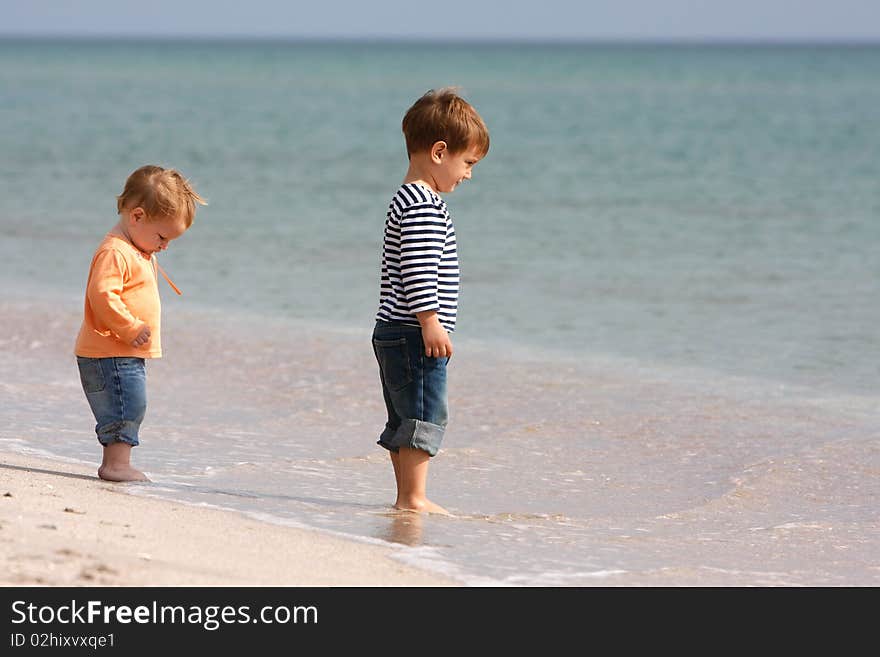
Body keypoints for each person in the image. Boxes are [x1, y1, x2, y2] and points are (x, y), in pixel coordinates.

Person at [372, 88, 489, 514]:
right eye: (468, 163)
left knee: (405, 414)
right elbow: (419, 270)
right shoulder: (424, 203)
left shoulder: (404, 197)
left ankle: (406, 496)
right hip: (411, 330)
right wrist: (430, 322)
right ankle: (414, 497)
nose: (469, 175)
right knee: (423, 414)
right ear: (440, 152)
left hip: (392, 329)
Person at [74, 165, 206, 482]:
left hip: (119, 351)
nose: (165, 246)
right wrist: (129, 327)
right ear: (136, 217)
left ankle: (117, 462)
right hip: (111, 350)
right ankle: (116, 465)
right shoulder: (115, 252)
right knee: (126, 405)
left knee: (129, 404)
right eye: (162, 237)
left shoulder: (136, 248)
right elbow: (102, 295)